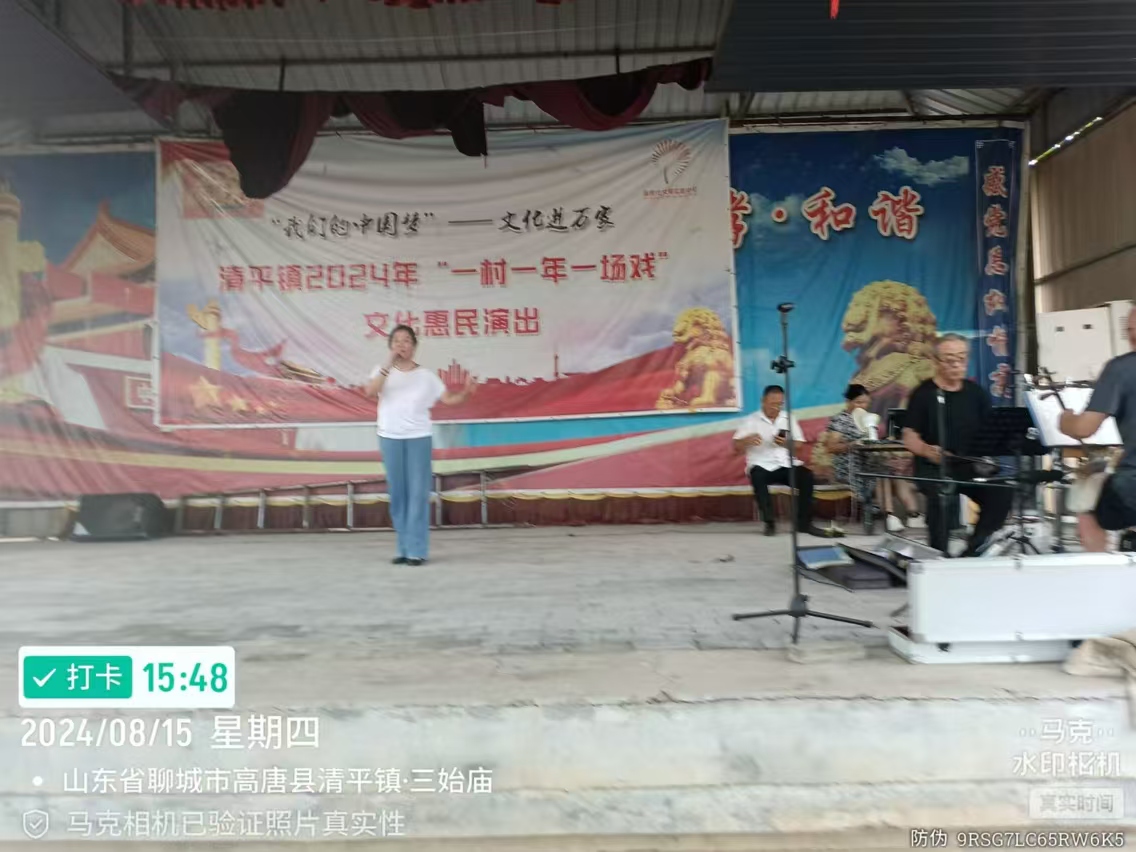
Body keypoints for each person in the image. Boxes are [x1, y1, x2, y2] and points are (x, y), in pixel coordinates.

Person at [365, 325, 475, 565]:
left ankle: (417, 550)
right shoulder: (381, 371)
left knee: (417, 493)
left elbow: (449, 399)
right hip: (389, 437)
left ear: (414, 346)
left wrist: (466, 393)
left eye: (406, 340)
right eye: (396, 341)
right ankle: (403, 548)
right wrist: (388, 363)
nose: (401, 345)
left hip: (418, 437)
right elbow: (370, 391)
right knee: (398, 494)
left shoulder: (426, 376)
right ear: (390, 346)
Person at [902, 333, 1012, 555]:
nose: (956, 364)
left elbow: (990, 429)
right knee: (943, 494)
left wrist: (988, 453)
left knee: (1001, 491)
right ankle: (938, 554)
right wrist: (927, 450)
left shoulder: (976, 393)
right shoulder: (923, 394)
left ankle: (973, 550)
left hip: (969, 465)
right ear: (935, 361)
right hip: (933, 467)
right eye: (949, 359)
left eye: (962, 358)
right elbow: (909, 436)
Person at [1059, 305, 1136, 551]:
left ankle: (1099, 567)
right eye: (1129, 330)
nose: (1131, 335)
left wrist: (1065, 420)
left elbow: (1084, 429)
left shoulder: (1121, 368)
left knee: (1085, 498)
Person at [822, 383, 923, 533]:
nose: (862, 406)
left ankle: (913, 514)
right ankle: (889, 515)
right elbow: (831, 447)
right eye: (858, 402)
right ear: (848, 402)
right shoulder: (840, 420)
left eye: (865, 403)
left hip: (867, 463)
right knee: (881, 474)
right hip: (849, 466)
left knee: (893, 474)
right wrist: (852, 444)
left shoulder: (867, 419)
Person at [733, 385, 829, 537]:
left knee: (806, 476)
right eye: (773, 404)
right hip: (761, 464)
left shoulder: (788, 418)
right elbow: (736, 446)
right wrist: (746, 441)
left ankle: (804, 524)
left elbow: (799, 445)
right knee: (757, 476)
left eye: (780, 404)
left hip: (785, 463)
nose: (776, 408)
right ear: (763, 401)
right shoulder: (751, 420)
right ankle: (769, 523)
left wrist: (786, 443)